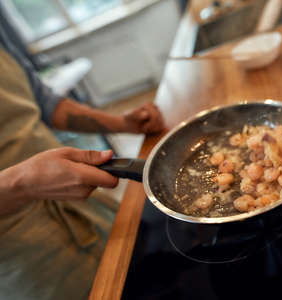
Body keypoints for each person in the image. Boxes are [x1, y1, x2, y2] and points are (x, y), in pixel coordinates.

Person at [0, 20, 164, 300]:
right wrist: (22, 183)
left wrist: (122, 122)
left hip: (82, 204)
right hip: (26, 256)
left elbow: (43, 102)